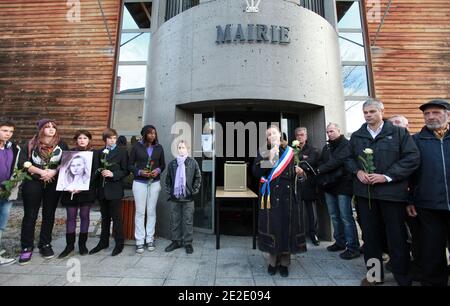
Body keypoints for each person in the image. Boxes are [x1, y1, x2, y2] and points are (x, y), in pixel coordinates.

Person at [346, 99, 420, 286]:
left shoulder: (398, 133)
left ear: (381, 111)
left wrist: (386, 176)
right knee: (370, 237)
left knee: (397, 237)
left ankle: (402, 277)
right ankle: (374, 275)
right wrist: (358, 171)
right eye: (365, 112)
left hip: (392, 195)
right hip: (365, 195)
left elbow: (412, 158)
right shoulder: (357, 136)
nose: (368, 115)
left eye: (372, 111)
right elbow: (348, 158)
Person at [253, 125, 307, 277]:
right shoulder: (263, 151)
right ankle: (272, 262)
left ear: (280, 134)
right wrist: (269, 158)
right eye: (269, 134)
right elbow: (256, 172)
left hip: (288, 198)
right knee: (273, 228)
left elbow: (300, 177)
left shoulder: (290, 151)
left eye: (274, 133)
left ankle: (284, 264)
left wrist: (301, 173)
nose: (272, 136)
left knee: (287, 230)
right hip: (271, 198)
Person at [408, 99, 450, 286]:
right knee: (432, 251)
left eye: (436, 113)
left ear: (448, 115)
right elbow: (409, 173)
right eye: (427, 114)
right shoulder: (415, 140)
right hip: (428, 205)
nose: (431, 116)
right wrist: (410, 200)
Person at [18, 119, 69, 265]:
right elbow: (23, 163)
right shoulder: (30, 144)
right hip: (33, 182)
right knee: (30, 215)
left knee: (49, 214)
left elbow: (66, 161)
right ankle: (26, 247)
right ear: (41, 129)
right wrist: (41, 172)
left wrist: (53, 172)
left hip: (52, 183)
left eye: (54, 126)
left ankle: (45, 244)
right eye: (47, 127)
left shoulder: (62, 144)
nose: (51, 129)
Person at [316, 123, 360, 260]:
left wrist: (321, 170)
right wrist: (320, 169)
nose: (329, 134)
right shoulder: (327, 146)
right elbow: (320, 161)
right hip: (329, 186)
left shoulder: (346, 144)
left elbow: (337, 161)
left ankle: (353, 247)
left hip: (343, 186)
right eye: (328, 132)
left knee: (346, 217)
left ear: (339, 131)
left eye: (332, 131)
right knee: (334, 216)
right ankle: (340, 242)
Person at [59, 130, 99, 258]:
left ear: (89, 140)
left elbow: (94, 173)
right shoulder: (69, 154)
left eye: (85, 138)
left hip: (86, 191)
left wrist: (83, 187)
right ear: (76, 140)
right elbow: (63, 170)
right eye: (80, 138)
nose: (82, 140)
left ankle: (82, 245)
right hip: (70, 190)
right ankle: (69, 245)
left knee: (84, 216)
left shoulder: (94, 153)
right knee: (71, 217)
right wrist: (68, 186)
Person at [89, 128, 129, 256]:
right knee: (105, 218)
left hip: (115, 189)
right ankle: (103, 242)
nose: (112, 140)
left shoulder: (122, 152)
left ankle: (119, 243)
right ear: (105, 139)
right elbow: (95, 171)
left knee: (116, 218)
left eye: (114, 138)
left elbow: (126, 171)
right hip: (102, 190)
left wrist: (113, 174)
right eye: (110, 138)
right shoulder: (99, 152)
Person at [128, 125, 165, 253]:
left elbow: (163, 164)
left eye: (154, 133)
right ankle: (139, 240)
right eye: (150, 133)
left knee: (151, 211)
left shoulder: (159, 147)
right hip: (139, 183)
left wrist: (158, 170)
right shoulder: (136, 147)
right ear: (144, 135)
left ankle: (150, 239)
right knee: (140, 212)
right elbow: (129, 165)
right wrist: (139, 172)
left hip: (154, 182)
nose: (153, 135)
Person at [164, 140, 201, 254]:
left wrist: (193, 191)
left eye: (183, 147)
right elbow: (167, 180)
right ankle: (176, 241)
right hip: (175, 198)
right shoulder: (172, 164)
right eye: (179, 147)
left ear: (187, 149)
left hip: (188, 198)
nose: (181, 149)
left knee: (188, 221)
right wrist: (170, 192)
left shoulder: (193, 163)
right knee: (175, 220)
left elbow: (198, 177)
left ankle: (188, 243)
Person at [294, 127, 320, 246]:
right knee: (297, 210)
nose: (300, 137)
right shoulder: (292, 149)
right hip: (296, 184)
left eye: (302, 135)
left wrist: (300, 164)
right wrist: (301, 161)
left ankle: (313, 234)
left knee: (311, 211)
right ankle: (298, 234)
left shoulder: (313, 149)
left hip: (309, 183)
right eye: (298, 135)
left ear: (306, 136)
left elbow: (312, 162)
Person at [0, 121, 21, 266]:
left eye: (11, 131)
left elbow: (16, 168)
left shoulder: (13, 148)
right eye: (4, 130)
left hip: (7, 190)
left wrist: (14, 183)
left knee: (2, 223)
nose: (8, 133)